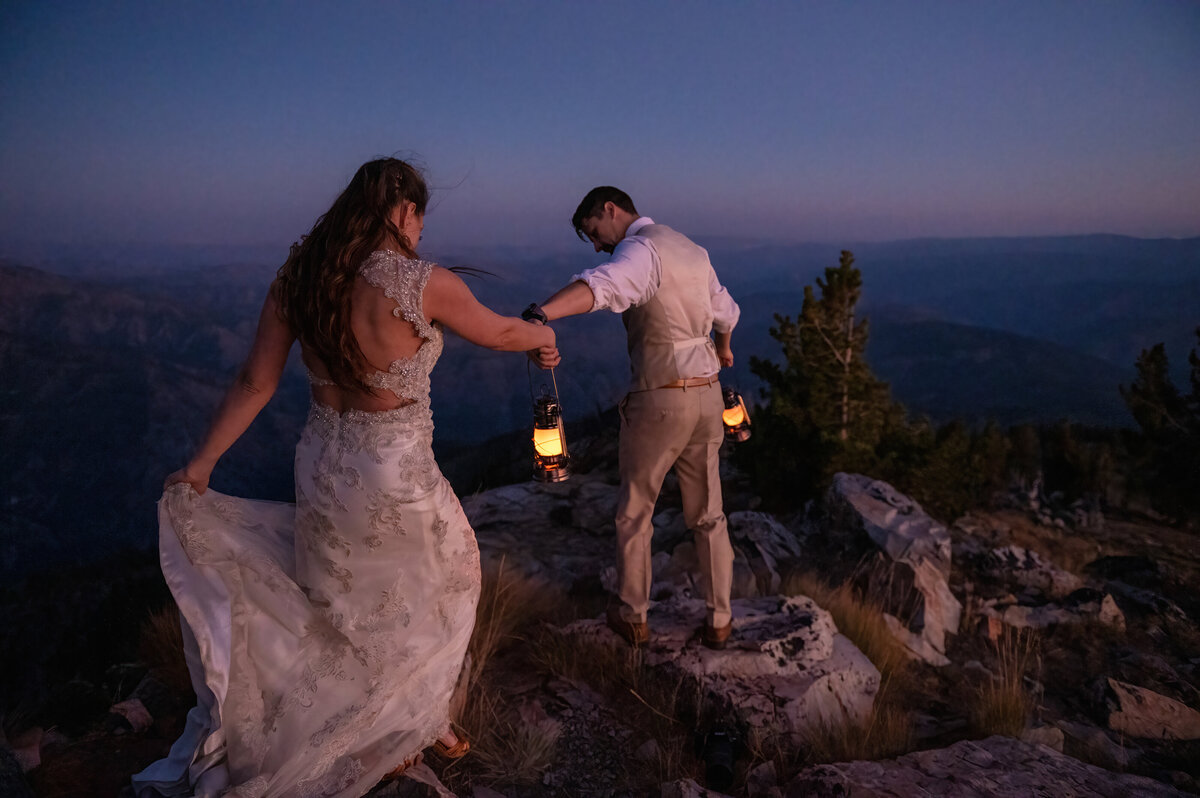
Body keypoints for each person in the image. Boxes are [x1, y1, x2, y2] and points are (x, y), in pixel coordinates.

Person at [132, 158, 557, 798]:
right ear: (405, 211)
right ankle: (407, 723)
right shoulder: (421, 283)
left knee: (341, 603)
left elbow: (255, 381)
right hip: (391, 469)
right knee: (445, 581)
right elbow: (498, 332)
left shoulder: (300, 278)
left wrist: (202, 465)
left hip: (321, 464)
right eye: (419, 217)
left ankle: (404, 717)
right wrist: (541, 336)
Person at [525, 186, 739, 650]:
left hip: (661, 399)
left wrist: (541, 314)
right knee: (709, 515)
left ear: (611, 209)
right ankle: (720, 620)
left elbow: (602, 286)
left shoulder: (641, 250)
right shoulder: (691, 249)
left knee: (635, 513)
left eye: (594, 233)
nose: (598, 245)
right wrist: (723, 349)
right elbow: (727, 311)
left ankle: (632, 614)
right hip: (708, 398)